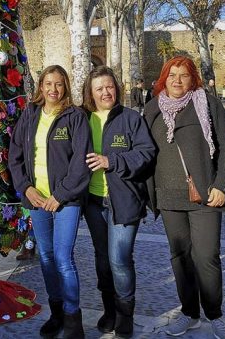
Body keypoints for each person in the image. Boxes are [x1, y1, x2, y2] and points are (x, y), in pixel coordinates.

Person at [143, 56, 225, 339]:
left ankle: (215, 314)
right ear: (163, 78)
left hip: (205, 195)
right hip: (169, 197)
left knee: (207, 255)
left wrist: (223, 185)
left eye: (184, 75)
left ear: (192, 78)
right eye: (172, 75)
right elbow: (141, 152)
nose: (177, 80)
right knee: (180, 257)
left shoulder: (207, 104)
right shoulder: (152, 109)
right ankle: (189, 313)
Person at [9, 65, 92, 339]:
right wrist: (26, 188)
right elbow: (16, 155)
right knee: (45, 256)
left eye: (59, 84)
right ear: (41, 86)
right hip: (37, 198)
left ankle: (72, 319)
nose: (53, 89)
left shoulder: (75, 117)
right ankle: (56, 313)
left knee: (63, 258)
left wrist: (62, 195)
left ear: (65, 86)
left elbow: (81, 162)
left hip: (65, 200)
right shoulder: (30, 114)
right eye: (48, 84)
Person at [81, 66, 156, 337]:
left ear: (117, 88)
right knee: (102, 259)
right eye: (99, 88)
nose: (105, 92)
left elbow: (146, 154)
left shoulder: (131, 119)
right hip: (93, 202)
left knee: (119, 259)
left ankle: (126, 314)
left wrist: (111, 161)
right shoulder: (83, 118)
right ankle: (109, 309)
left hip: (124, 201)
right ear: (90, 92)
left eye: (109, 86)